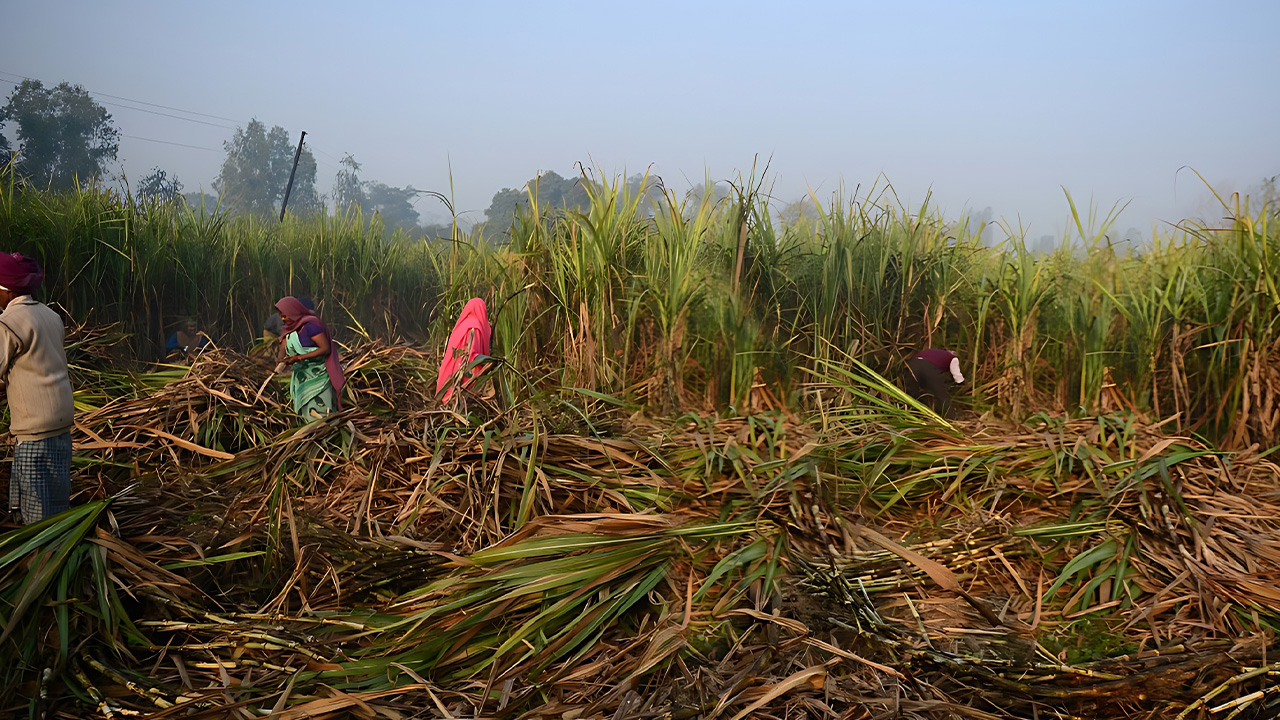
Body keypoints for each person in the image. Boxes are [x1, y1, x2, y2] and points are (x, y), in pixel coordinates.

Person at [0, 253, 74, 524]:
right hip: (60, 428)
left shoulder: (8, 323)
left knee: (39, 524)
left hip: (34, 434)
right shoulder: (51, 316)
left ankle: (46, 563)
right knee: (55, 505)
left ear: (7, 291)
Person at [274, 296, 344, 420]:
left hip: (318, 375)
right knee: (305, 411)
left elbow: (325, 348)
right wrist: (280, 361)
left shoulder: (310, 326)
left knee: (320, 410)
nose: (283, 319)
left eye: (285, 315)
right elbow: (283, 350)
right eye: (281, 316)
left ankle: (324, 434)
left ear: (294, 312)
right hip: (302, 379)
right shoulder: (288, 330)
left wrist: (299, 358)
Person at [436, 298, 492, 402]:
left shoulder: (462, 325)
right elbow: (472, 358)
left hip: (447, 381)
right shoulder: (475, 327)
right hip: (461, 384)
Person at [904, 348, 965, 418]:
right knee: (940, 395)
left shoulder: (935, 352)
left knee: (911, 393)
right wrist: (962, 384)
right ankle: (951, 418)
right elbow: (957, 376)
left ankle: (911, 415)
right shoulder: (952, 358)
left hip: (912, 364)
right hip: (928, 367)